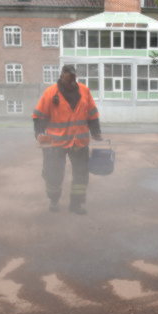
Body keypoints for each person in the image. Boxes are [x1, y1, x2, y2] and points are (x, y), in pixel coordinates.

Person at [32, 65, 102, 215]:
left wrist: (96, 131)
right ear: (62, 75)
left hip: (79, 142)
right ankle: (54, 200)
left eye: (73, 75)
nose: (71, 78)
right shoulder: (50, 93)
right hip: (56, 143)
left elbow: (92, 114)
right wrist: (39, 133)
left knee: (81, 174)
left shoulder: (84, 91)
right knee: (53, 173)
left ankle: (76, 204)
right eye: (68, 75)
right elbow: (39, 116)